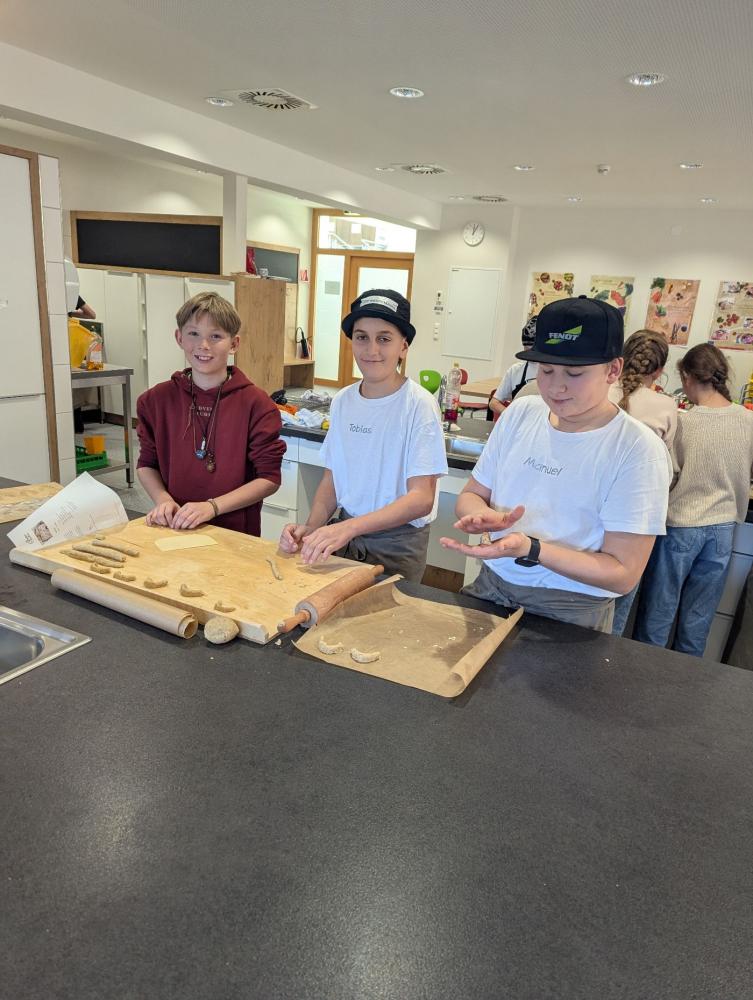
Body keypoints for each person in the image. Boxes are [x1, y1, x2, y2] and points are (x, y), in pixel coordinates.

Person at [440, 296, 671, 633]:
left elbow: (622, 574)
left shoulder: (637, 449)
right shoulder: (521, 414)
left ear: (613, 370)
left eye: (574, 373)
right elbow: (471, 495)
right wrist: (480, 515)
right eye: (546, 370)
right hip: (491, 586)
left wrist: (532, 548)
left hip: (571, 608)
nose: (555, 386)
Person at [279, 289, 448, 582]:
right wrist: (311, 528)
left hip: (397, 545)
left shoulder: (418, 404)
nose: (371, 350)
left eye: (384, 339)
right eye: (361, 337)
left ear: (403, 346)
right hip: (346, 537)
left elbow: (421, 498)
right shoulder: (343, 401)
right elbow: (332, 481)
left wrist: (348, 528)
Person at [633, 343, 753, 656]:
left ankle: (644, 676)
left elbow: (669, 474)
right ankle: (688, 683)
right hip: (724, 529)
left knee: (657, 616)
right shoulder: (748, 419)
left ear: (687, 377)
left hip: (681, 525)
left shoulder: (685, 421)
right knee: (697, 622)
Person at [136, 291, 285, 534]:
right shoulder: (154, 400)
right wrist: (163, 499)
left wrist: (212, 507)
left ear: (234, 344)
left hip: (235, 534)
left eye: (216, 336)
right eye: (193, 334)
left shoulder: (257, 404)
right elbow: (146, 464)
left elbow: (269, 478)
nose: (203, 345)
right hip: (174, 527)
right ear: (179, 337)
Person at [609, 329, 678, 636]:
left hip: (596, 507)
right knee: (620, 599)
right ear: (659, 370)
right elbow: (667, 468)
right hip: (637, 518)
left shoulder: (602, 391)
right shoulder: (666, 406)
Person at [488, 316, 538, 415]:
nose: (528, 353)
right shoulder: (515, 370)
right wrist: (512, 416)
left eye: (532, 349)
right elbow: (494, 403)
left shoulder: (554, 372)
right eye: (526, 348)